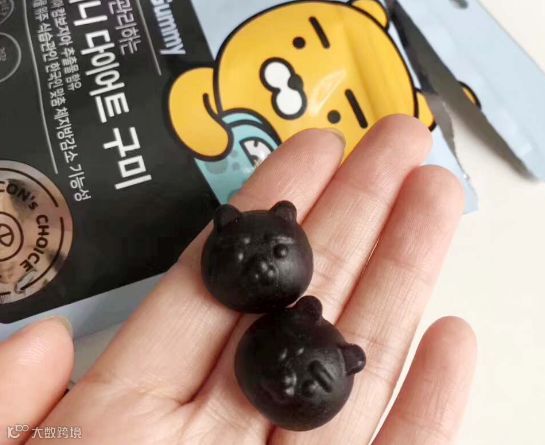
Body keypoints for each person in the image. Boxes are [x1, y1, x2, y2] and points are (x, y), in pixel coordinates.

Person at [0, 116, 477, 444]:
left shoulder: (307, 336)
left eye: (277, 251)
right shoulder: (246, 281)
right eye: (252, 252)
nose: (264, 265)